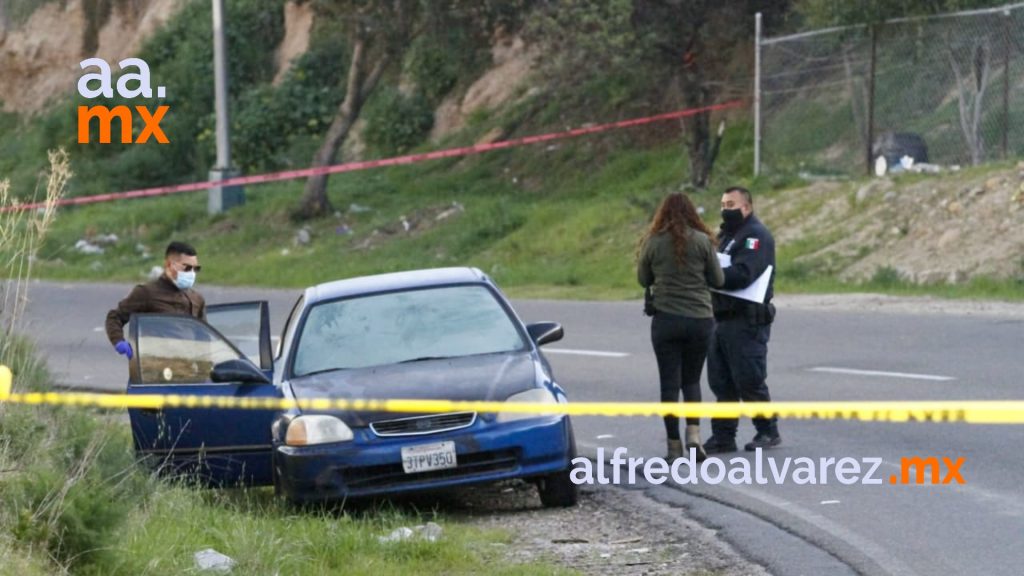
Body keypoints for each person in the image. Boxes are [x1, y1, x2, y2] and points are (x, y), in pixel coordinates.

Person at [638, 193, 724, 461]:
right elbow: (718, 279)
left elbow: (643, 279)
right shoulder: (702, 242)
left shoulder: (653, 242)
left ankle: (673, 446)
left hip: (666, 321)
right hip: (700, 320)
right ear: (691, 213)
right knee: (692, 381)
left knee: (669, 385)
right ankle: (695, 438)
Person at [704, 186, 779, 454]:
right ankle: (723, 436)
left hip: (746, 319)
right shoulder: (725, 235)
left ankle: (767, 429)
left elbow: (744, 273)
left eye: (731, 204)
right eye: (723, 204)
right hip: (721, 317)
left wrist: (711, 274)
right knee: (721, 381)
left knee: (749, 378)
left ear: (746, 207)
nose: (726, 209)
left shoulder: (755, 237)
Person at [105, 241, 206, 359]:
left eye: (196, 269)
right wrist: (118, 341)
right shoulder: (147, 293)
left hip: (189, 367)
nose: (191, 273)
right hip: (156, 367)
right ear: (169, 265)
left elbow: (204, 336)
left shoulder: (197, 299)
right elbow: (115, 317)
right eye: (187, 268)